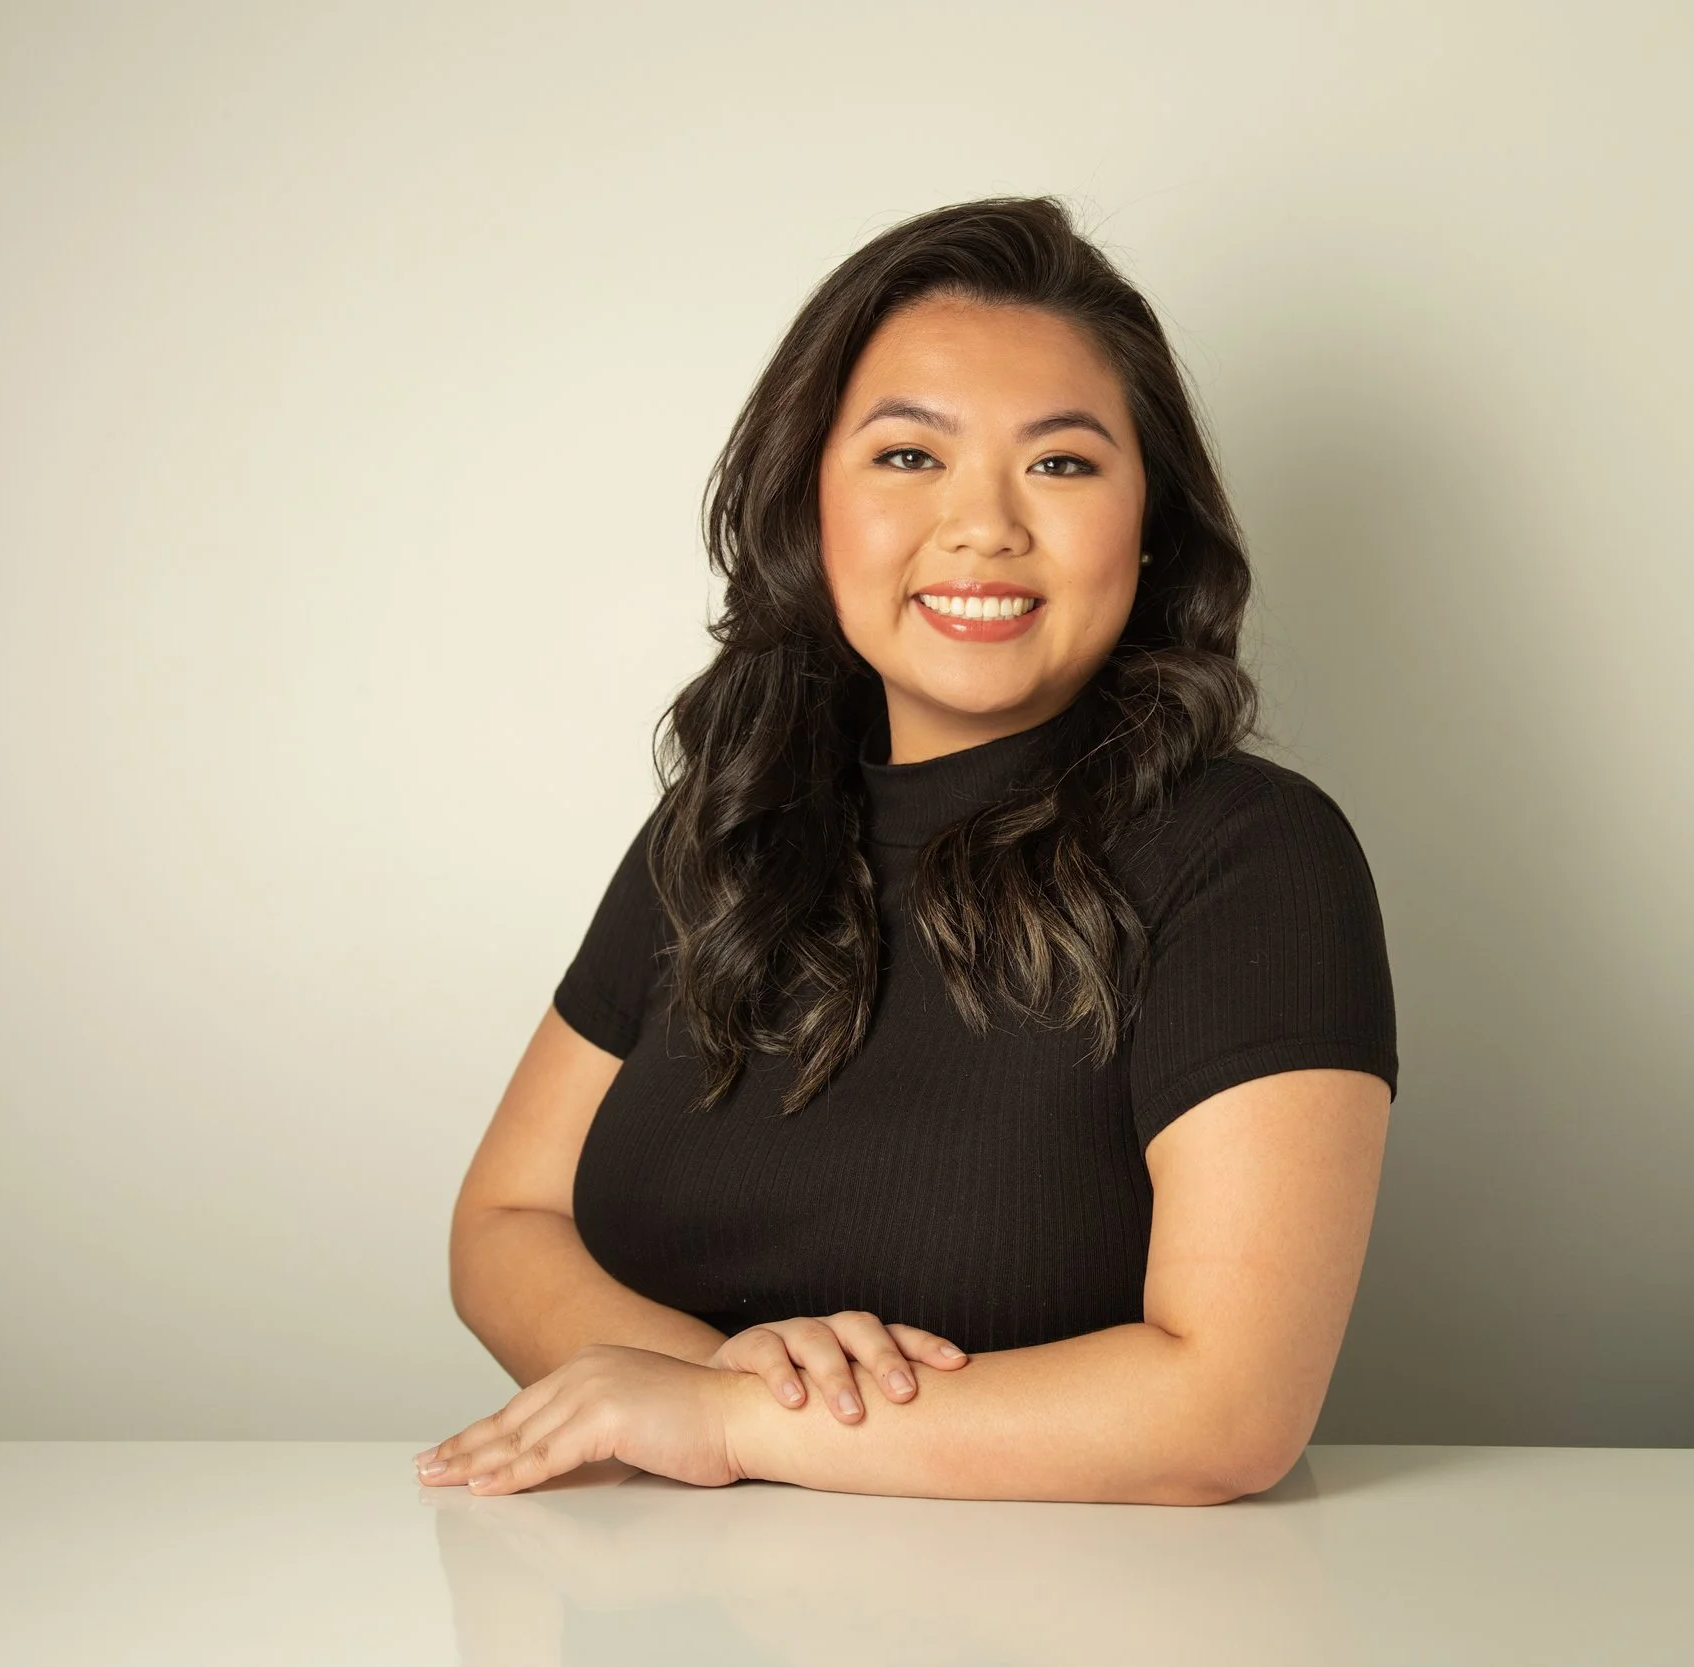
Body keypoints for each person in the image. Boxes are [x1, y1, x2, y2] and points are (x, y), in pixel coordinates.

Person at [416, 196, 1399, 1506]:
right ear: (809, 500)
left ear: (1149, 521)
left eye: (1061, 463)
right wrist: (719, 1380)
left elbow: (1227, 1410)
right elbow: (502, 1227)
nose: (984, 525)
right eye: (907, 456)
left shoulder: (1258, 859)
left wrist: (734, 1423)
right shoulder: (720, 829)